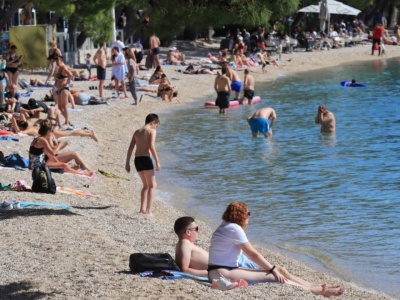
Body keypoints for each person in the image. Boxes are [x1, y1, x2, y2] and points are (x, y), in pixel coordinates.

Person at [208, 201, 345, 296]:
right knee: (275, 277)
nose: (249, 216)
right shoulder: (234, 228)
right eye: (248, 213)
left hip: (222, 270)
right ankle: (318, 291)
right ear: (240, 215)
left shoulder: (227, 226)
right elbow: (252, 255)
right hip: (222, 273)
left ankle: (314, 286)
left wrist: (274, 268)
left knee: (280, 270)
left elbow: (251, 255)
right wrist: (272, 270)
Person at [174, 216, 260, 276]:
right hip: (223, 267)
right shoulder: (185, 243)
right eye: (196, 229)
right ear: (188, 232)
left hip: (224, 264)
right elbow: (184, 269)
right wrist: (209, 272)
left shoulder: (184, 244)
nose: (198, 232)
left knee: (252, 263)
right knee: (258, 268)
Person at [28, 119, 94, 176]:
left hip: (38, 164)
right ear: (48, 131)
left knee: (63, 165)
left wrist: (58, 164)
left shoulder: (39, 138)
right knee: (64, 165)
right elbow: (52, 153)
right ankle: (81, 173)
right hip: (36, 167)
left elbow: (49, 154)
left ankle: (68, 169)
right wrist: (60, 145)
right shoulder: (42, 140)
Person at [125, 113, 161, 215]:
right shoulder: (152, 131)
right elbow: (151, 146)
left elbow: (131, 148)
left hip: (137, 160)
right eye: (156, 125)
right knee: (152, 185)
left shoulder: (137, 132)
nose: (156, 127)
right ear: (153, 122)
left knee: (145, 185)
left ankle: (142, 209)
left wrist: (127, 163)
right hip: (145, 159)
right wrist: (157, 161)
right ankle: (149, 211)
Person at [53, 55, 73, 127]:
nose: (56, 62)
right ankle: (68, 120)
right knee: (60, 107)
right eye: (56, 61)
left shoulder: (63, 67)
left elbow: (70, 74)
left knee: (64, 106)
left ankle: (67, 122)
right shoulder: (59, 68)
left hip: (64, 88)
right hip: (59, 88)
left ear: (61, 60)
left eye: (57, 60)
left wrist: (66, 83)